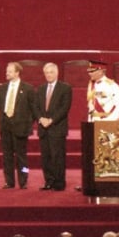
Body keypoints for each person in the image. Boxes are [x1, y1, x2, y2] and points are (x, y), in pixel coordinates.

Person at [0, 62, 34, 189]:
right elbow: (0, 107)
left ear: (17, 73)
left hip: (21, 128)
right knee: (7, 157)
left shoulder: (28, 88)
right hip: (5, 127)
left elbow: (32, 109)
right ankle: (9, 181)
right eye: (7, 71)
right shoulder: (2, 88)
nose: (7, 73)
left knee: (22, 157)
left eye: (10, 71)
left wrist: (28, 126)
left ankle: (24, 180)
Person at [36, 62, 72, 191]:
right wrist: (40, 118)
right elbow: (36, 107)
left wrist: (51, 120)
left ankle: (59, 183)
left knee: (58, 157)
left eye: (51, 72)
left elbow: (65, 108)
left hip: (57, 128)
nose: (49, 75)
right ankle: (48, 181)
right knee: (46, 157)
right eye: (46, 73)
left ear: (56, 73)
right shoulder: (40, 88)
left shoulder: (65, 88)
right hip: (43, 129)